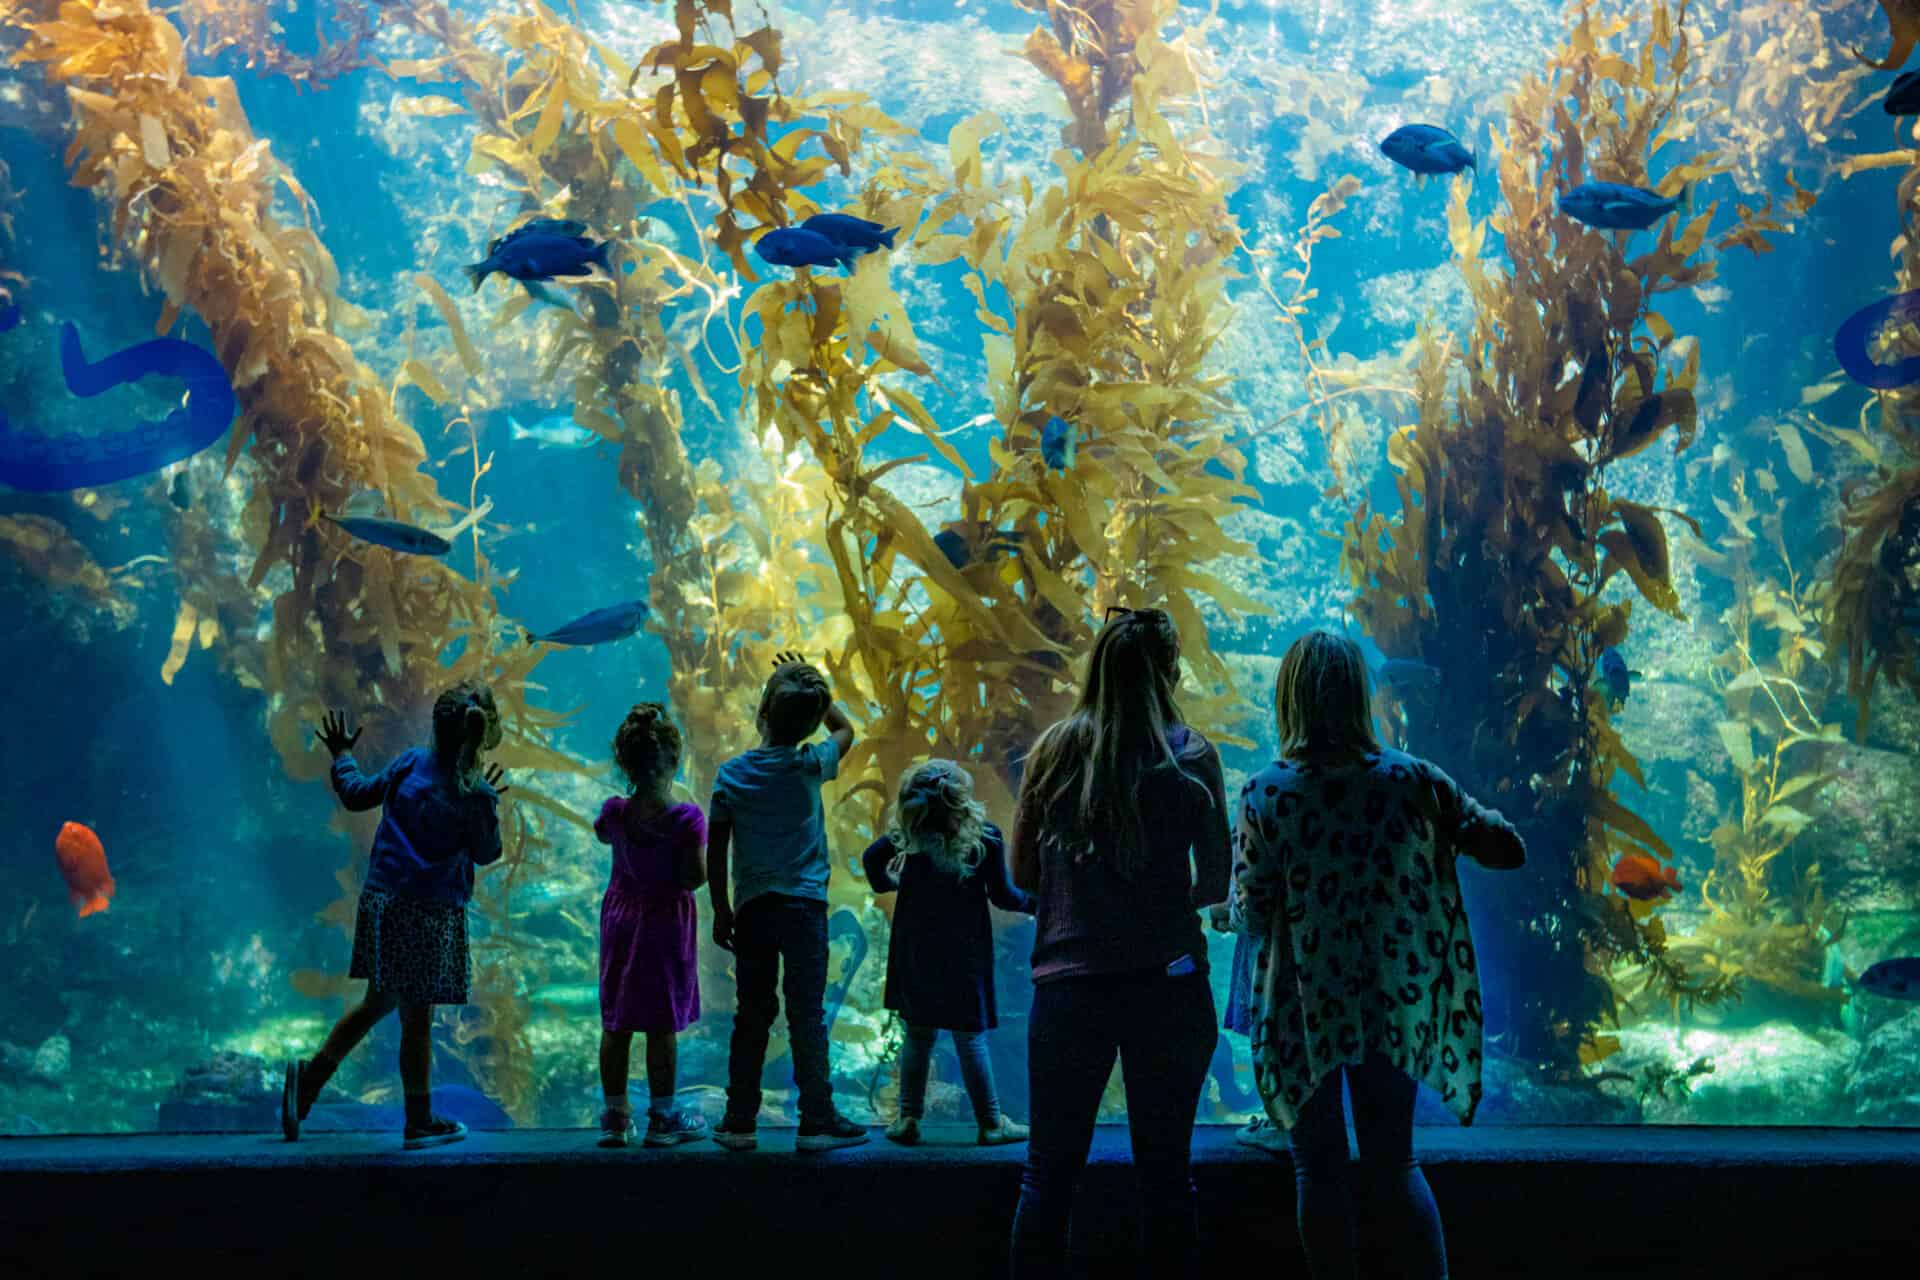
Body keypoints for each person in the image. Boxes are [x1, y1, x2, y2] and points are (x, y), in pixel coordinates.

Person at [1232, 630, 1526, 1280]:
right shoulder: (1412, 779)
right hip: (1392, 1000)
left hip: (1304, 1004)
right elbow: (1507, 848)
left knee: (1317, 1167)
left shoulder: (1265, 792)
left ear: (1291, 701)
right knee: (1395, 1162)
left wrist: (1226, 913)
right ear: (1360, 697)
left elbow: (1251, 909)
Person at [1007, 606, 1231, 1277]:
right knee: (1167, 1178)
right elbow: (1215, 881)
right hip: (1169, 986)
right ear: (1167, 674)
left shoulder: (1052, 753)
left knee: (1048, 1176)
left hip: (1069, 990)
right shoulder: (1193, 757)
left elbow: (1020, 874)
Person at [281, 681, 508, 1150]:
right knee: (417, 1018)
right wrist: (489, 806)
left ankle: (309, 1079)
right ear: (482, 736)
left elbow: (357, 794)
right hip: (429, 915)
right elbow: (488, 852)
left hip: (385, 902)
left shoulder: (410, 763)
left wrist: (342, 753)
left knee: (378, 1001)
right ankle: (419, 1120)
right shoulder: (477, 795)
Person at [707, 651, 867, 1152]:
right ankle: (816, 1119)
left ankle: (739, 1122)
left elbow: (716, 852)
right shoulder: (810, 764)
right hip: (803, 910)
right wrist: (819, 691)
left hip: (753, 909)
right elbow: (847, 732)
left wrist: (720, 909)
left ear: (762, 711)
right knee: (807, 1014)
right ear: (811, 720)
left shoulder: (731, 776)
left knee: (752, 1013)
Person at [861, 759, 1034, 1147]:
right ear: (961, 799)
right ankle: (991, 1123)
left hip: (916, 952)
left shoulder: (907, 836)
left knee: (918, 1037)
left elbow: (872, 859)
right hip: (965, 957)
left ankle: (908, 1118)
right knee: (970, 1038)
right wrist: (1037, 904)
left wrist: (888, 883)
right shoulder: (984, 838)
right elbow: (1004, 896)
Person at [594, 702, 709, 1149]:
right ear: (676, 761)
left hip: (621, 919)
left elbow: (601, 831)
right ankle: (662, 1119)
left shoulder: (616, 811)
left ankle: (615, 1118)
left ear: (623, 761)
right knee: (661, 1024)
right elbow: (694, 876)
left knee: (617, 1021)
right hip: (665, 924)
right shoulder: (686, 818)